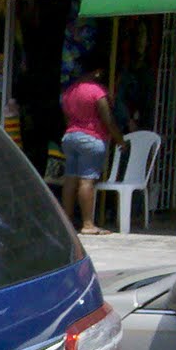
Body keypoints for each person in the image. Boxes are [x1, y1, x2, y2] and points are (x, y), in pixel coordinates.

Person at [59, 54, 124, 236]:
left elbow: (67, 118)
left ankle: (66, 220)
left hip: (70, 137)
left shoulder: (69, 91)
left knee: (70, 179)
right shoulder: (97, 91)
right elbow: (107, 119)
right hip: (91, 138)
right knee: (87, 180)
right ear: (97, 72)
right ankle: (88, 224)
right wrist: (120, 140)